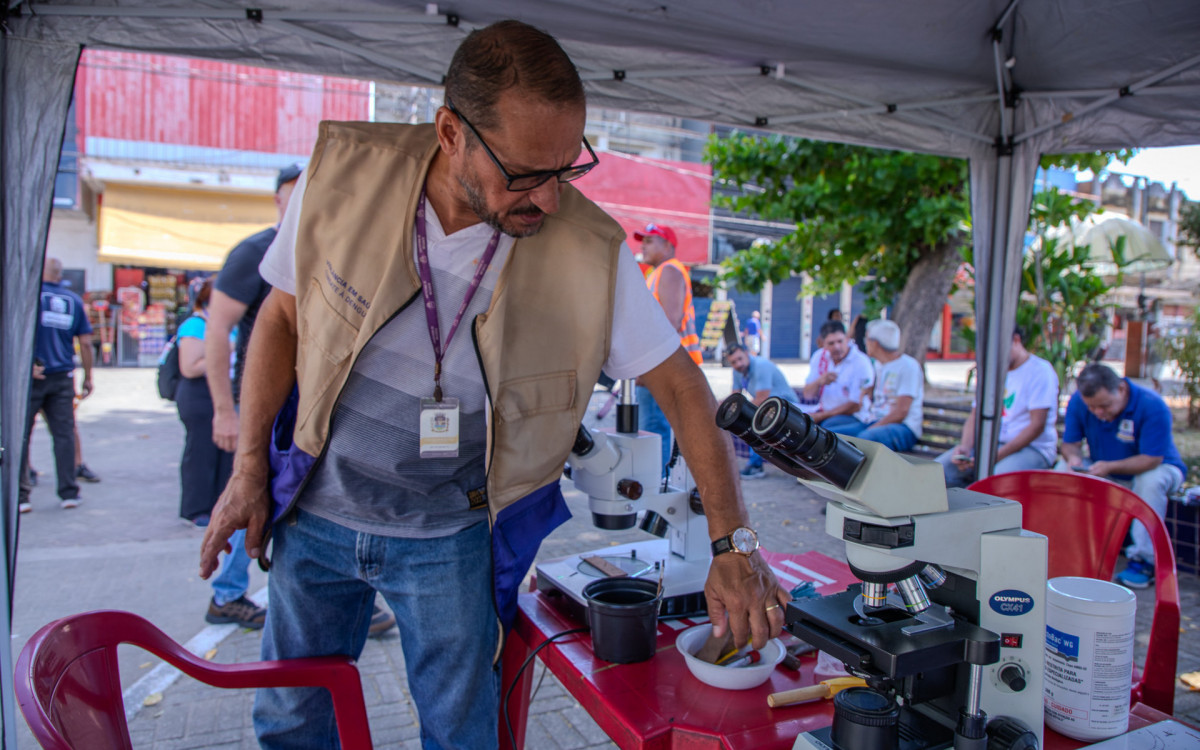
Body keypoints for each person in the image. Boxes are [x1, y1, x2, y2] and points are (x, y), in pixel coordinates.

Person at [198, 21, 785, 750]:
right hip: (319, 514)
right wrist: (250, 466)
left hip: (450, 536)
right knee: (291, 720)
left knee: (463, 733)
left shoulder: (588, 248)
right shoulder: (344, 175)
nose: (547, 200)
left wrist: (734, 544)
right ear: (451, 133)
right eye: (525, 173)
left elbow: (684, 387)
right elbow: (280, 317)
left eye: (565, 169)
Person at [198, 166, 302, 629]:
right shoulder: (255, 251)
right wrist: (225, 409)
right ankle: (227, 594)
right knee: (251, 490)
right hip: (262, 402)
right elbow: (215, 331)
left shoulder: (324, 247)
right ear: (279, 201)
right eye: (292, 195)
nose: (301, 201)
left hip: (304, 406)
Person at [1061, 363, 1185, 589]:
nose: (1099, 413)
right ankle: (1067, 545)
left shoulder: (1152, 405)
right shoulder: (1079, 402)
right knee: (1062, 469)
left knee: (1150, 482)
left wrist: (1109, 466)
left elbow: (1152, 459)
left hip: (1159, 467)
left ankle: (1144, 560)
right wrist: (1074, 459)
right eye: (1093, 408)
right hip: (1106, 467)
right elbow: (1069, 444)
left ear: (1121, 389)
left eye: (1105, 405)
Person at [936, 327, 1059, 487]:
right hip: (989, 445)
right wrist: (965, 447)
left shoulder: (1040, 371)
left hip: (1033, 449)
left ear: (1015, 340)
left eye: (997, 349)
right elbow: (975, 415)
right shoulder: (991, 371)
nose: (993, 356)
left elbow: (1037, 426)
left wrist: (994, 456)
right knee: (935, 473)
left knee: (996, 482)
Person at [18, 257, 93, 513]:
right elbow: (85, 342)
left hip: (31, 376)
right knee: (64, 435)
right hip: (62, 375)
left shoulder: (28, 296)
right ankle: (69, 491)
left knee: (21, 436)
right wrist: (88, 376)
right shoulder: (73, 301)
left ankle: (21, 495)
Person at [635, 221, 704, 474]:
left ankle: (657, 494)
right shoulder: (655, 273)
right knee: (653, 429)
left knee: (653, 429)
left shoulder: (670, 271)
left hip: (664, 367)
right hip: (663, 366)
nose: (643, 245)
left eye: (649, 241)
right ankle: (657, 489)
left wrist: (646, 367)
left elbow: (670, 321)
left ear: (667, 245)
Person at [174, 278, 233, 527]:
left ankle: (220, 505)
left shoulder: (231, 325)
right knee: (201, 452)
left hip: (228, 393)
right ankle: (197, 508)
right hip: (200, 396)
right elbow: (190, 367)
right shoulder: (196, 325)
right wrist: (227, 348)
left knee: (226, 454)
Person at [826, 319, 924, 452]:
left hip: (903, 427)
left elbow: (901, 412)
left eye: (866, 338)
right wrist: (869, 388)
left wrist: (873, 427)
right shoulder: (878, 364)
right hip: (875, 420)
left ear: (875, 343)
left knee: (865, 438)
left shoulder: (908, 366)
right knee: (829, 432)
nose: (864, 342)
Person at [728, 343, 799, 478]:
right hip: (769, 407)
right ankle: (755, 464)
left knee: (756, 422)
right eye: (733, 362)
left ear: (747, 354)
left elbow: (761, 398)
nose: (738, 364)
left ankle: (755, 466)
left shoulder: (761, 366)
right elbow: (735, 397)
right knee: (753, 418)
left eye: (740, 359)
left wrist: (737, 413)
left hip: (788, 406)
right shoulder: (738, 371)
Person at [801, 321, 874, 425]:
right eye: (831, 343)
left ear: (847, 338)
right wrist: (819, 382)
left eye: (840, 341)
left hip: (854, 416)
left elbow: (856, 405)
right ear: (822, 343)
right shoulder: (819, 357)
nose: (837, 347)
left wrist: (821, 416)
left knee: (825, 428)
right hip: (824, 412)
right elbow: (807, 395)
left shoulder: (861, 361)